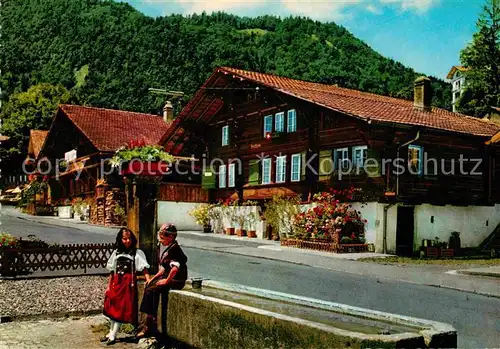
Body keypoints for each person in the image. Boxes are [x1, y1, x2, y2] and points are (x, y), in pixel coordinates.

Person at [136, 223, 188, 339]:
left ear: (171, 237)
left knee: (151, 290)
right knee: (149, 286)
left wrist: (166, 281)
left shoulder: (175, 249)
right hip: (167, 275)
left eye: (164, 235)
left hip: (176, 279)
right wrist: (152, 279)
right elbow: (163, 268)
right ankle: (149, 320)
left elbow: (174, 269)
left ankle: (150, 324)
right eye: (160, 234)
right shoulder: (164, 247)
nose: (161, 237)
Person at [101, 228, 151, 345]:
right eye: (124, 239)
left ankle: (113, 335)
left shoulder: (136, 253)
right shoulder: (116, 253)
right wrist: (109, 286)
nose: (127, 241)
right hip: (116, 282)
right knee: (113, 307)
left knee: (121, 308)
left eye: (129, 239)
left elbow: (144, 267)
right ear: (120, 239)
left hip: (127, 283)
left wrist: (148, 279)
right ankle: (110, 332)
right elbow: (112, 271)